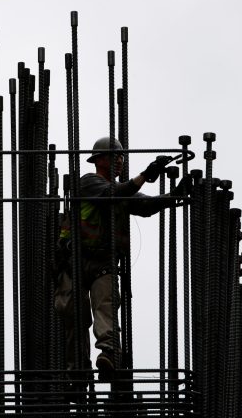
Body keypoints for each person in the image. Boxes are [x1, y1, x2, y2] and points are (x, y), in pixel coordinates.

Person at [55, 137, 192, 381]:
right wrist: (145, 175)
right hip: (74, 261)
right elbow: (113, 192)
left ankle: (107, 355)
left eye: (121, 157)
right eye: (114, 156)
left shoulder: (120, 192)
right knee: (75, 319)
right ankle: (77, 374)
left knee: (106, 308)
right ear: (100, 160)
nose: (120, 160)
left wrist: (174, 196)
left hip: (103, 263)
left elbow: (146, 205)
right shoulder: (89, 183)